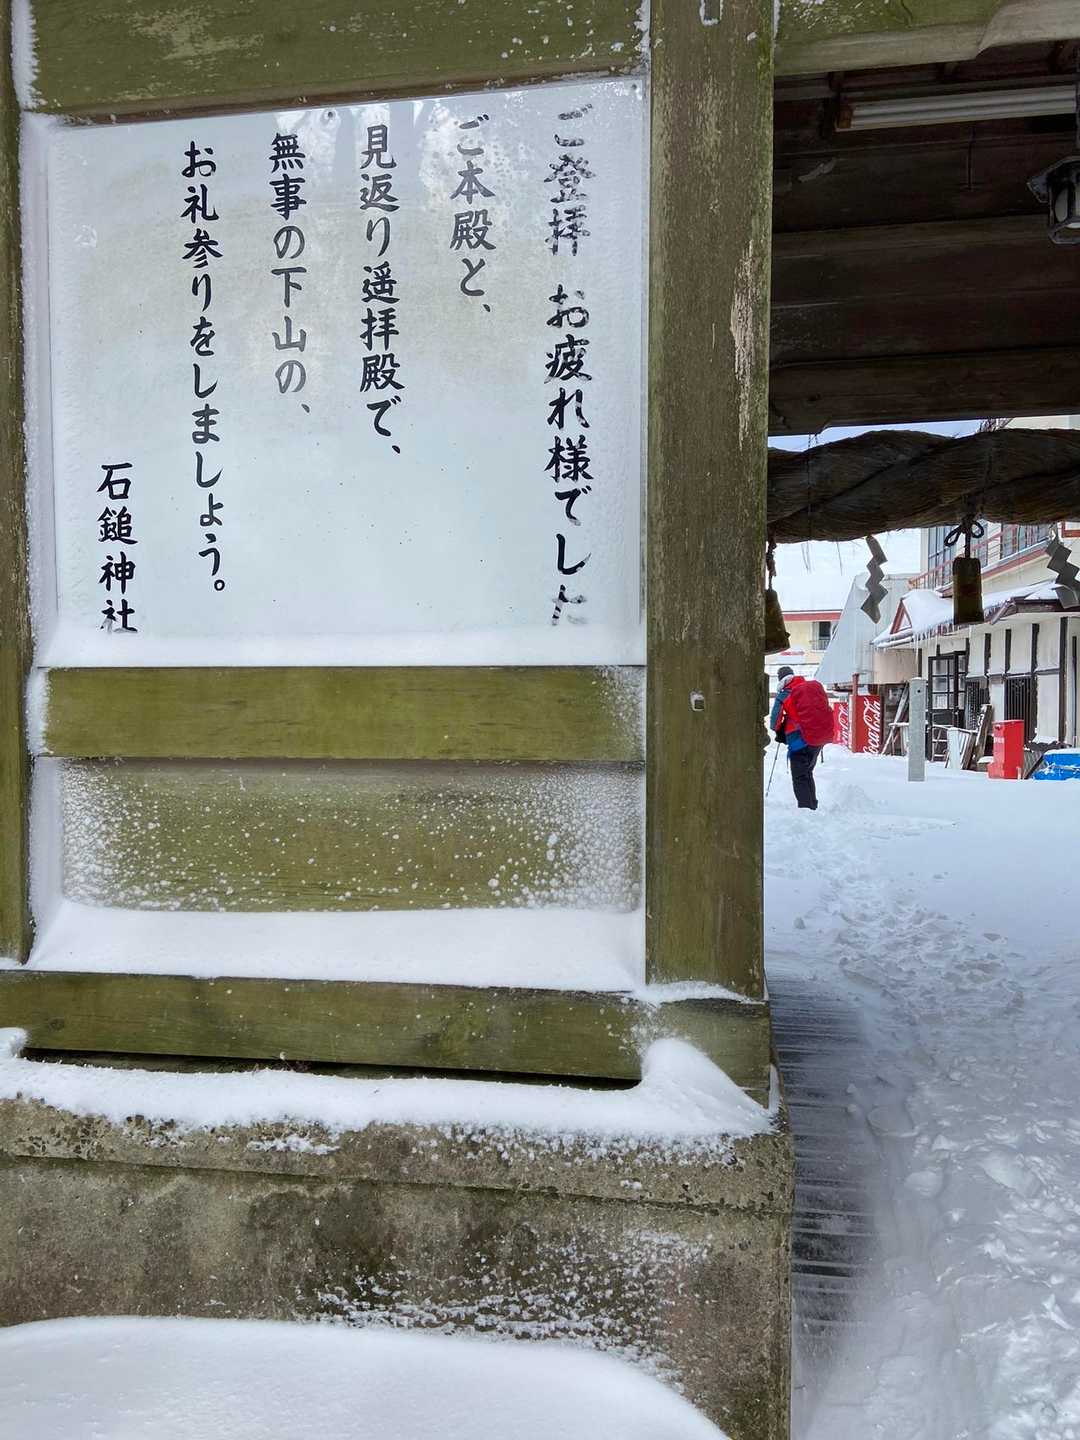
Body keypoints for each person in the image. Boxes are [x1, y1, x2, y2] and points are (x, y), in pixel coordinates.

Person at [770, 665, 834, 810]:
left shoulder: (784, 694)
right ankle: (812, 806)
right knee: (807, 772)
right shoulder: (808, 689)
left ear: (781, 680)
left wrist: (782, 728)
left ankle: (806, 809)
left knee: (799, 777)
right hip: (817, 739)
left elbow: (774, 722)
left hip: (799, 740)